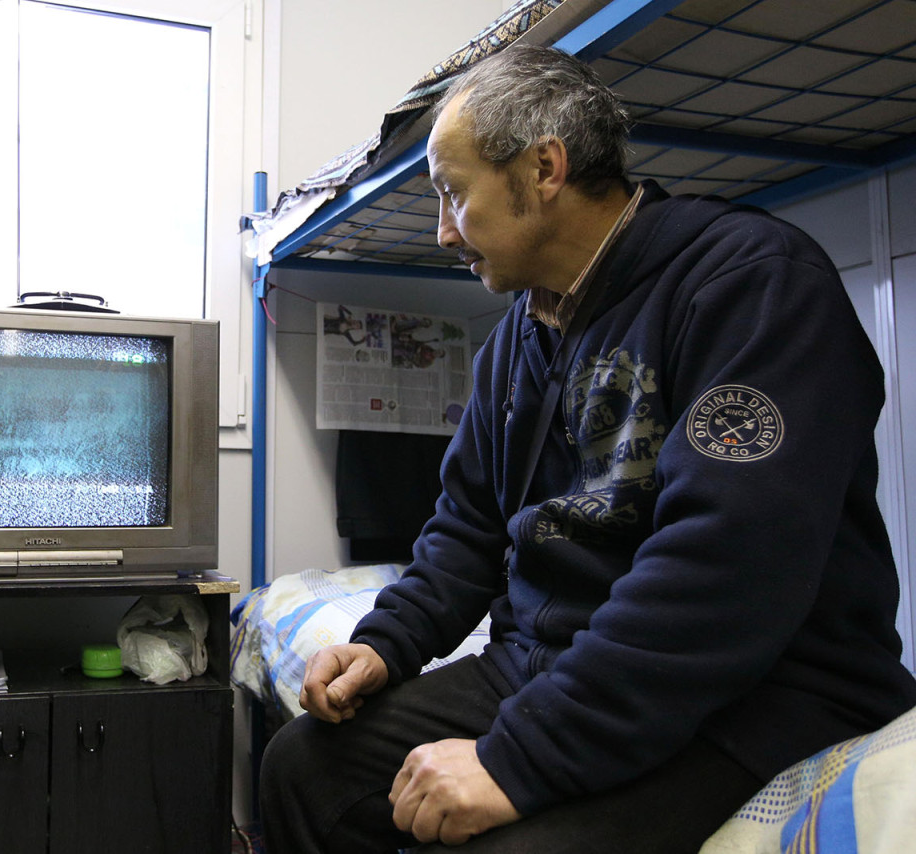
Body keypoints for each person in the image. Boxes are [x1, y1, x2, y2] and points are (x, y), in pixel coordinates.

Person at [258, 44, 916, 854]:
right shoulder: (516, 342)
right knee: (304, 768)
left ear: (543, 168)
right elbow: (467, 528)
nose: (440, 232)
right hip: (551, 666)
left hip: (757, 684)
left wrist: (516, 762)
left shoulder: (750, 284)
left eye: (453, 196)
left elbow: (726, 570)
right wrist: (384, 644)